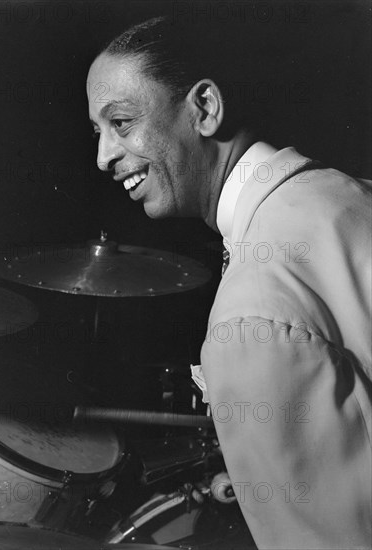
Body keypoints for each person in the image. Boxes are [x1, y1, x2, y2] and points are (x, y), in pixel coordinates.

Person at [86, 16, 371, 550]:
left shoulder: (250, 315)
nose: (103, 156)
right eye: (97, 132)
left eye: (121, 123)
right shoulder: (343, 195)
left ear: (205, 108)